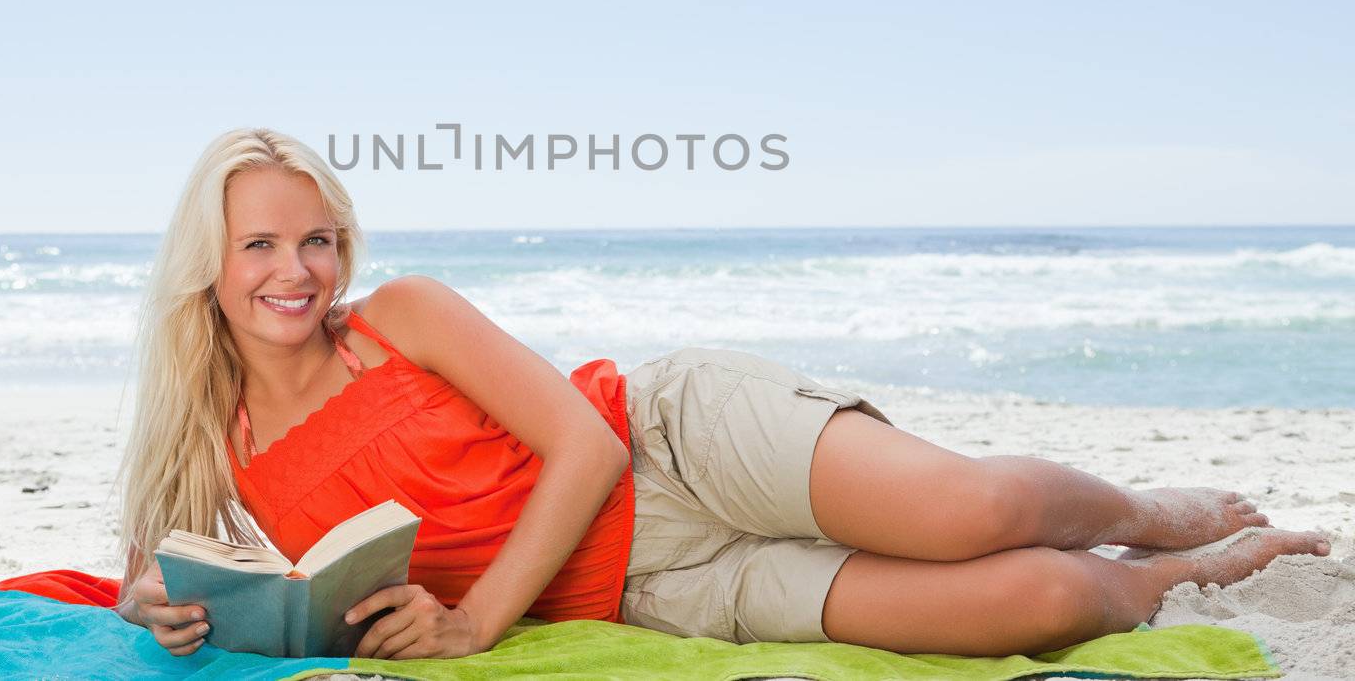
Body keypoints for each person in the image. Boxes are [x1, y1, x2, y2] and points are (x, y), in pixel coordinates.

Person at [113, 128, 1332, 661]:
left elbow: (584, 447)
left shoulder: (400, 318)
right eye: (263, 245)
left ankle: (1153, 504)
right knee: (1044, 597)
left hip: (674, 446)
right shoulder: (207, 439)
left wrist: (477, 622)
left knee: (968, 512)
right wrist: (162, 605)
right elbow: (139, 575)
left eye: (318, 238)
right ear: (207, 261)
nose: (298, 270)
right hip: (656, 587)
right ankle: (1190, 570)